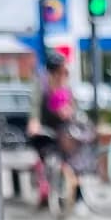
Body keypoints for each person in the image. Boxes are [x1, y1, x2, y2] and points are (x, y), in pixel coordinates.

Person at [27, 51, 79, 211]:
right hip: (46, 128)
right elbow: (35, 104)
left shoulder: (66, 85)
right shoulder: (42, 84)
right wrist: (34, 121)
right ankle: (44, 188)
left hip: (63, 129)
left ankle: (75, 195)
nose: (63, 72)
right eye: (61, 69)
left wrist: (70, 112)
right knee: (43, 154)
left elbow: (73, 106)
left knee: (73, 159)